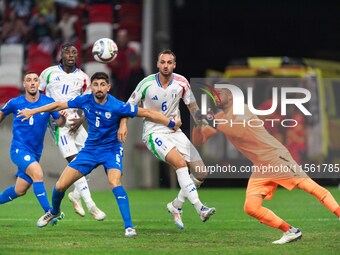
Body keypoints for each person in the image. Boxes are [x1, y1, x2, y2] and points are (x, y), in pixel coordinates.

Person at [18, 72, 182, 237]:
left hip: (111, 150)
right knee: (60, 186)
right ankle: (54, 211)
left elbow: (147, 113)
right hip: (90, 150)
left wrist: (171, 123)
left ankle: (129, 226)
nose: (99, 88)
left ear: (108, 87)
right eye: (95, 85)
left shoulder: (117, 105)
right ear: (91, 87)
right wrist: (33, 111)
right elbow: (58, 105)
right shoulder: (85, 100)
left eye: (102, 84)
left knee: (114, 181)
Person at [192, 87, 340, 244]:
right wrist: (197, 124)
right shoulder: (220, 117)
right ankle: (291, 231)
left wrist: (213, 121)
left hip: (275, 157)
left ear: (230, 95)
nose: (216, 96)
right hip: (261, 166)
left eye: (220, 93)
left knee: (311, 187)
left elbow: (239, 131)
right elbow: (199, 141)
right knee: (251, 207)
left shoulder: (241, 109)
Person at [124, 49, 215, 230]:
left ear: (174, 65)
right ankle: (200, 208)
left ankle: (176, 205)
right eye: (163, 62)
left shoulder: (181, 83)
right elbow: (127, 107)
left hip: (175, 132)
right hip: (153, 133)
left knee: (201, 172)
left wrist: (200, 122)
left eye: (169, 62)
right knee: (180, 164)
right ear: (158, 64)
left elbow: (192, 105)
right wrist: (122, 125)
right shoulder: (146, 84)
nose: (166, 65)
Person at [39, 43, 106, 221]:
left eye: (74, 52)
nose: (71, 55)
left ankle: (76, 195)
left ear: (77, 56)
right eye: (67, 52)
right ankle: (91, 205)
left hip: (76, 123)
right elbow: (38, 97)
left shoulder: (83, 78)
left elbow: (90, 102)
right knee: (75, 162)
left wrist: (82, 119)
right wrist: (47, 116)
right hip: (59, 125)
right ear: (61, 54)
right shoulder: (48, 73)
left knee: (92, 159)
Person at [0, 71, 66, 226]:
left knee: (20, 190)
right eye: (28, 80)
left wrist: (63, 116)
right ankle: (49, 213)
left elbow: (60, 123)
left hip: (35, 152)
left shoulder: (48, 102)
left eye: (35, 80)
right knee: (38, 173)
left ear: (39, 84)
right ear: (24, 84)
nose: (32, 83)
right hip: (19, 149)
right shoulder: (15, 102)